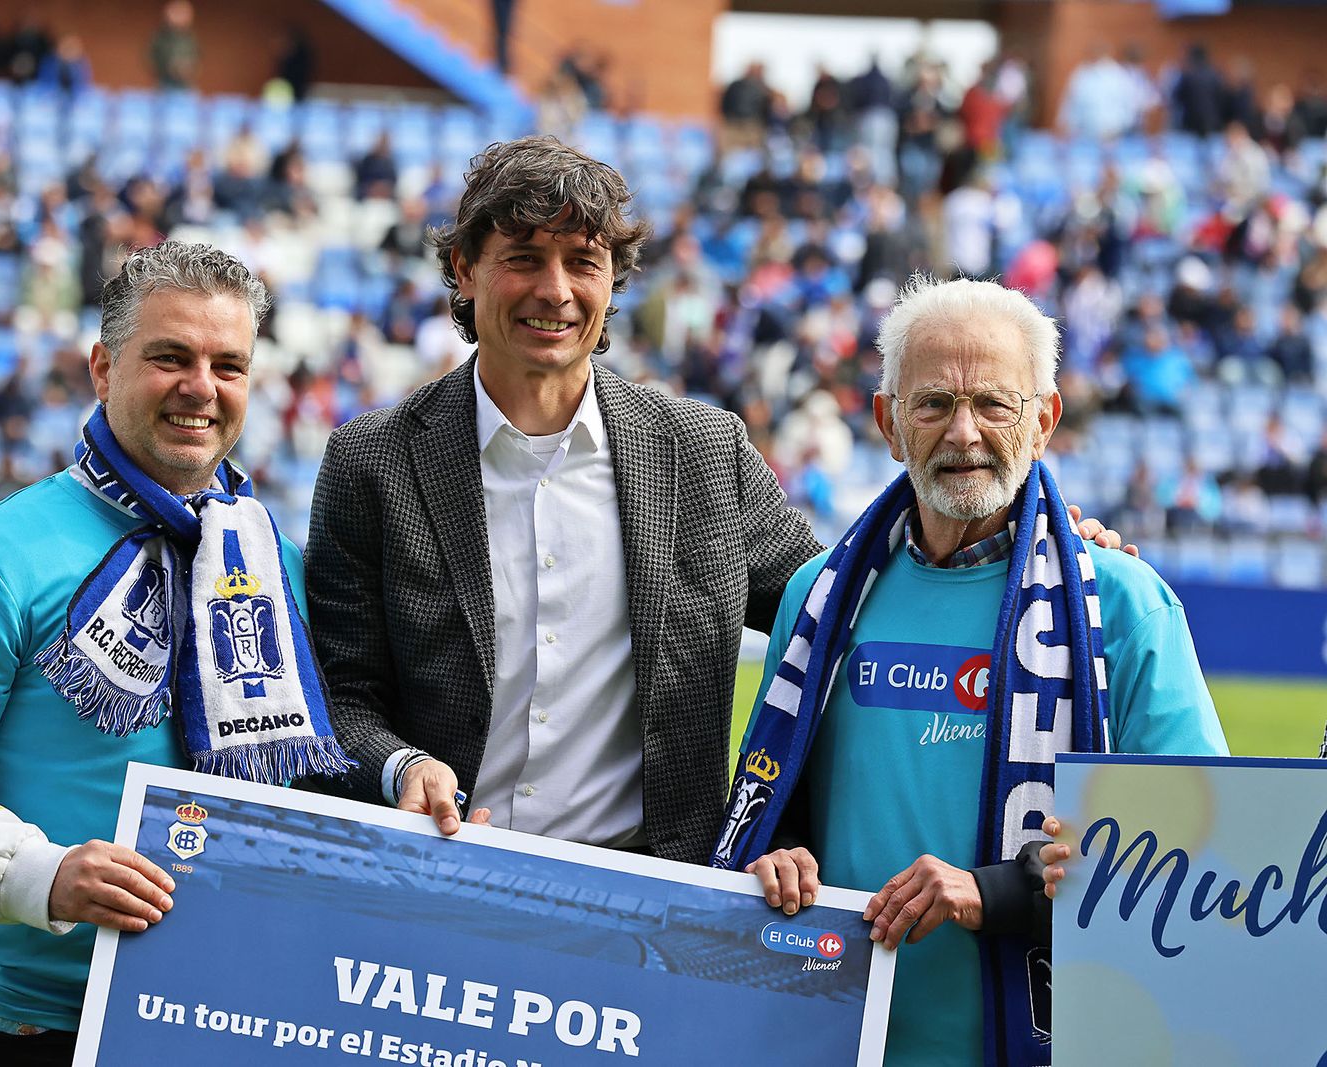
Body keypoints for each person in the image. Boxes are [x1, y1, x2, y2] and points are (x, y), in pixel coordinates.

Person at [0, 243, 349, 1064]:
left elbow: (315, 770)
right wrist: (44, 874)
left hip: (233, 1018)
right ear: (103, 368)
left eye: (229, 365)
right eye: (170, 357)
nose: (201, 387)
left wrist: (402, 780)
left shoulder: (274, 560)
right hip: (38, 1026)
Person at [716, 276, 1228, 1067]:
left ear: (1044, 421)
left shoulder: (1123, 605)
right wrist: (778, 847)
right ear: (888, 422)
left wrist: (994, 892)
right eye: (932, 404)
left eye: (995, 403)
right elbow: (775, 795)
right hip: (835, 1042)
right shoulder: (817, 598)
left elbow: (1195, 853)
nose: (964, 433)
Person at [305, 136, 823, 865]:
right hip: (437, 881)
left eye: (584, 261)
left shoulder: (705, 452)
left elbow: (830, 635)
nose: (556, 290)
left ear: (613, 281)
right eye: (523, 257)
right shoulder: (372, 461)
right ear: (464, 269)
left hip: (654, 897)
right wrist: (403, 767)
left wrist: (782, 828)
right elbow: (340, 695)